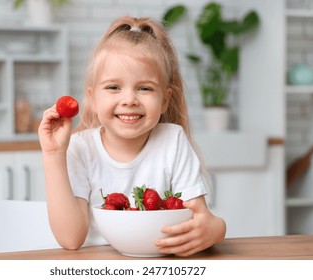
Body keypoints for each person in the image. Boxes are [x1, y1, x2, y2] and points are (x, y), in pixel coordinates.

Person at [38, 16, 226, 257]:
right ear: (93, 98)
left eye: (144, 88)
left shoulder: (173, 140)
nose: (129, 100)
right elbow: (71, 239)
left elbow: (199, 219)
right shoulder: (80, 148)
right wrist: (53, 154)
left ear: (164, 99)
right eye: (113, 87)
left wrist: (217, 229)